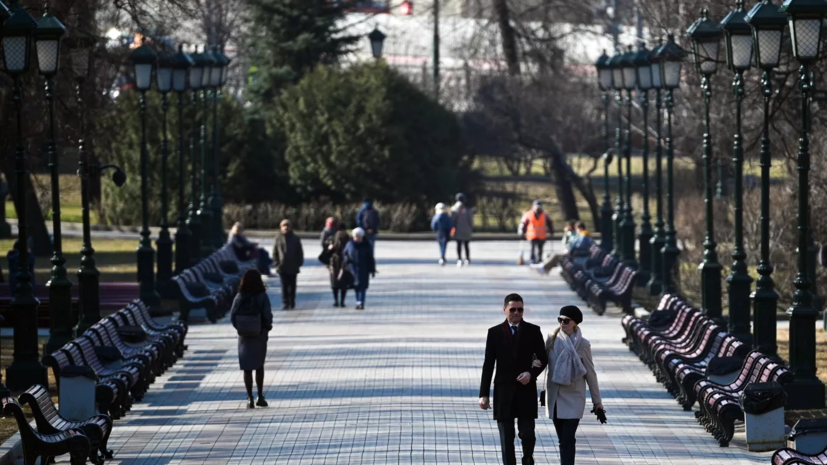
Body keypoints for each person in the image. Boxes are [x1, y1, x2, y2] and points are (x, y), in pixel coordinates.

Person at [479, 293, 548, 465]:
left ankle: (528, 459)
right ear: (505, 310)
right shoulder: (494, 333)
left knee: (527, 434)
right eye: (513, 309)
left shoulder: (533, 331)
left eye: (520, 309)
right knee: (506, 438)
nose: (517, 313)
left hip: (526, 391)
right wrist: (484, 394)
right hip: (504, 392)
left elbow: (543, 358)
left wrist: (531, 373)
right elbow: (488, 365)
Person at [541, 305, 603, 465]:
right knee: (563, 439)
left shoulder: (583, 345)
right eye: (560, 319)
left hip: (574, 397)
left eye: (566, 320)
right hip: (554, 396)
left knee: (567, 438)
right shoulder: (552, 338)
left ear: (575, 323)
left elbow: (591, 374)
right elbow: (542, 362)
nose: (562, 323)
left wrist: (597, 402)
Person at [230, 269, 273, 409]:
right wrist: (267, 326)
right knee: (259, 365)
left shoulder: (240, 296)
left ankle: (250, 398)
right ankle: (260, 395)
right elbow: (267, 314)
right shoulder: (262, 296)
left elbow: (232, 315)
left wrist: (240, 328)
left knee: (247, 367)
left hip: (244, 336)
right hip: (259, 334)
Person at [271, 219, 304, 310]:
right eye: (284, 226)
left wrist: (299, 263)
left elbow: (299, 252)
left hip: (293, 266)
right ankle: (285, 302)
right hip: (282, 266)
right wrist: (276, 263)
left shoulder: (295, 238)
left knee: (292, 286)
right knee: (284, 286)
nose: (286, 228)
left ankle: (292, 301)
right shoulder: (278, 238)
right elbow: (275, 252)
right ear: (281, 227)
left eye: (287, 226)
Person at [342, 227, 376, 310]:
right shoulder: (350, 244)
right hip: (352, 269)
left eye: (359, 237)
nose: (357, 238)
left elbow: (370, 258)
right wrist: (346, 261)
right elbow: (344, 254)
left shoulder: (366, 245)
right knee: (356, 286)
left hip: (363, 269)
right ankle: (358, 301)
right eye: (356, 236)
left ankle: (361, 302)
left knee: (362, 287)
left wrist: (372, 269)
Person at [518, 200, 554, 265]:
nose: (538, 208)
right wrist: (521, 232)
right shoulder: (528, 214)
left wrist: (551, 231)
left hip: (541, 236)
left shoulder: (544, 215)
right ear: (533, 206)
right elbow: (523, 223)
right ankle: (532, 260)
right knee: (532, 248)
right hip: (531, 235)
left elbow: (550, 223)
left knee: (540, 249)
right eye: (536, 206)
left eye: (539, 206)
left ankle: (539, 259)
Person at [327, 224, 351, 307]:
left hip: (345, 263)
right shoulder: (333, 238)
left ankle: (342, 301)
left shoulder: (349, 239)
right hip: (334, 263)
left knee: (344, 284)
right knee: (334, 284)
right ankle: (336, 300)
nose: (341, 232)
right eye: (339, 230)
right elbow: (327, 252)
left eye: (343, 230)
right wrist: (330, 247)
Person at [451, 193, 474, 267]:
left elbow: (453, 220)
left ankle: (459, 259)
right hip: (466, 230)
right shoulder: (467, 210)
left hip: (458, 230)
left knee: (459, 245)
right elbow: (471, 221)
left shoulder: (454, 209)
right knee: (466, 245)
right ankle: (467, 259)